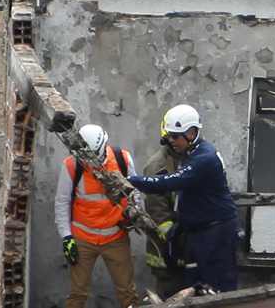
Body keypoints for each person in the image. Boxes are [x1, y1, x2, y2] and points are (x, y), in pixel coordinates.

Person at [127, 104, 238, 293]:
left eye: (175, 136)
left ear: (192, 132)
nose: (171, 141)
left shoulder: (204, 158)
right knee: (196, 283)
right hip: (200, 231)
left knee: (215, 286)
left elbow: (169, 182)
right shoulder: (192, 153)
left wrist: (130, 180)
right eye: (169, 136)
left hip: (214, 232)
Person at [54, 124, 139, 308]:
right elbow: (62, 202)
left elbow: (135, 193)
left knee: (127, 293)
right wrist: (67, 237)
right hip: (83, 239)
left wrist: (134, 212)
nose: (89, 163)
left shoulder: (122, 159)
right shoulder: (72, 165)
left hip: (116, 237)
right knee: (77, 294)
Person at [141, 118, 185, 298]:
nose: (175, 142)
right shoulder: (157, 167)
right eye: (172, 138)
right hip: (166, 251)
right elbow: (158, 214)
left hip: (186, 248)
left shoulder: (190, 159)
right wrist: (177, 242)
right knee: (170, 295)